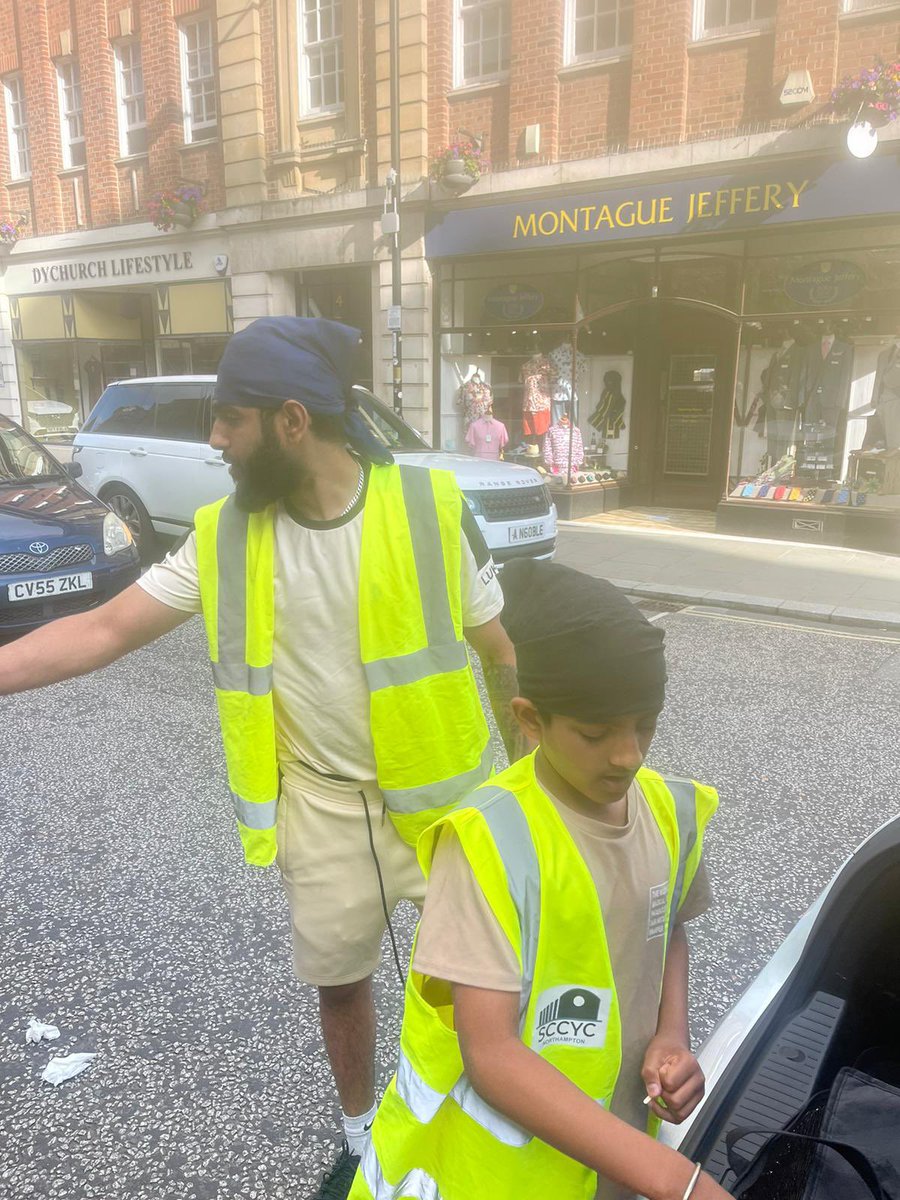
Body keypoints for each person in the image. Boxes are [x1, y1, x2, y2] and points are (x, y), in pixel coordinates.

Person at [0, 317, 527, 1200]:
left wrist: (529, 788)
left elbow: (502, 648)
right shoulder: (224, 534)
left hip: (448, 800)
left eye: (228, 420)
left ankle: (467, 1120)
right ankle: (363, 1140)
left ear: (292, 420)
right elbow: (100, 630)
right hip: (319, 805)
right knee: (340, 986)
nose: (215, 439)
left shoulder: (429, 509)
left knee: (468, 988)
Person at [349, 559, 729, 1200]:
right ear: (530, 719)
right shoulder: (488, 842)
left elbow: (665, 934)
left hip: (617, 1152)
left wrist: (671, 1033)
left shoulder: (671, 811)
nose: (628, 755)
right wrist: (674, 1178)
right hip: (508, 1176)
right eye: (595, 732)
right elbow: (491, 1053)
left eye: (645, 725)